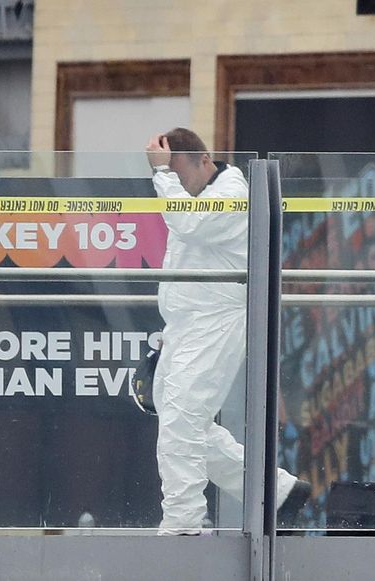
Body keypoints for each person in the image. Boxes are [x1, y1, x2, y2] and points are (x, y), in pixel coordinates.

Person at [145, 128, 310, 535]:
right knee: (191, 426)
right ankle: (279, 492)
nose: (179, 187)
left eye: (180, 175)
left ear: (205, 161)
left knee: (182, 424)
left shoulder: (232, 194)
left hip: (213, 326)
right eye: (173, 180)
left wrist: (162, 177)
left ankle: (182, 523)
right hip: (186, 327)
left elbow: (189, 225)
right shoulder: (200, 195)